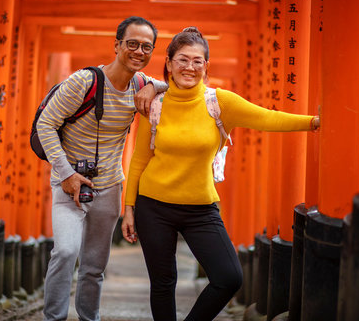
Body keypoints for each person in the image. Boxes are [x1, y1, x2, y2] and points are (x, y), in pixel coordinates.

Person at [121, 27, 320, 321]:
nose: (190, 67)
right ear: (169, 62)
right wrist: (128, 208)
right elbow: (139, 159)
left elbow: (267, 117)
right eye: (183, 60)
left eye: (197, 61)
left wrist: (314, 122)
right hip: (154, 205)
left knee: (229, 277)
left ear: (206, 66)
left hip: (201, 208)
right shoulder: (156, 105)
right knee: (163, 284)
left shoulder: (220, 102)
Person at [37, 16, 168, 321]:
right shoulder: (84, 82)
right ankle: (53, 318)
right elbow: (46, 124)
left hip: (109, 187)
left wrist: (154, 88)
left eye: (146, 47)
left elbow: (180, 85)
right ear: (117, 45)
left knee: (95, 266)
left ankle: (89, 318)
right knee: (66, 251)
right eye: (132, 44)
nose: (138, 51)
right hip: (69, 184)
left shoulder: (141, 84)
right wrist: (67, 173)